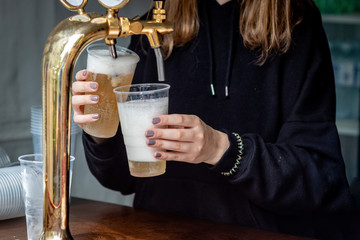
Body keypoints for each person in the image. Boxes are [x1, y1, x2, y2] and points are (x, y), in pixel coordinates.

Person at [72, 0, 359, 239]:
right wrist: (100, 129)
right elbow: (123, 179)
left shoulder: (295, 23)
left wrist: (221, 149)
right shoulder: (154, 27)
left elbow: (320, 181)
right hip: (160, 232)